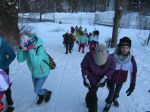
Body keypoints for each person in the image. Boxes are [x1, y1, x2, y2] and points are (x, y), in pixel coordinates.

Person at [103, 37, 137, 112]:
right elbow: (105, 68)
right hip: (111, 78)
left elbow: (133, 72)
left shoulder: (131, 59)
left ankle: (115, 98)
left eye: (127, 48)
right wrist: (103, 78)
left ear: (129, 48)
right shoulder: (112, 56)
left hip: (122, 79)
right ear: (119, 47)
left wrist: (132, 85)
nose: (125, 50)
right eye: (123, 47)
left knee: (117, 91)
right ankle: (108, 103)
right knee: (111, 92)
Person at [17, 33, 52, 105]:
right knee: (37, 89)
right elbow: (20, 59)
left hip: (43, 73)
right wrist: (21, 49)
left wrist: (31, 49)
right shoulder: (27, 49)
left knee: (36, 89)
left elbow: (35, 63)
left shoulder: (40, 48)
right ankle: (41, 96)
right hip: (34, 73)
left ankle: (47, 92)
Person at [81, 44, 116, 112]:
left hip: (100, 80)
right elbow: (84, 66)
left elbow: (112, 69)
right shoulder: (89, 55)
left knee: (92, 92)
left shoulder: (111, 59)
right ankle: (92, 108)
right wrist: (85, 77)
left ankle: (88, 101)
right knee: (93, 94)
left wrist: (105, 77)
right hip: (90, 78)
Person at [0, 36, 16, 112]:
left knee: (5, 86)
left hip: (3, 70)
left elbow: (13, 55)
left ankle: (9, 101)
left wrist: (4, 65)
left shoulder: (4, 44)